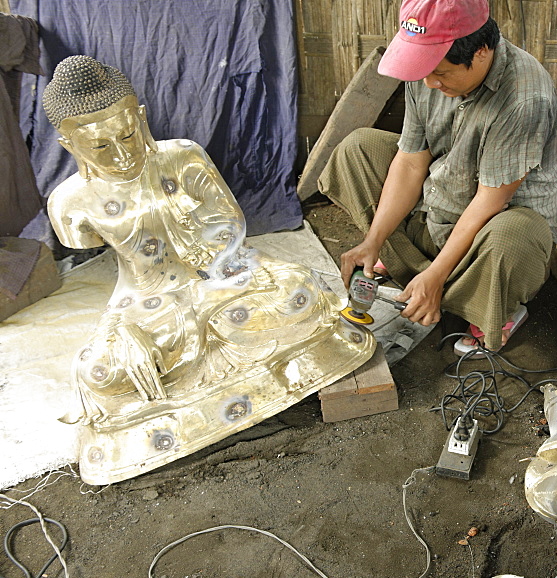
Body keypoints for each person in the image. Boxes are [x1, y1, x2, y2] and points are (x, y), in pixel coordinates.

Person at [43, 55, 373, 481]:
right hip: (150, 302)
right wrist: (121, 329)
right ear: (70, 147)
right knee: (98, 374)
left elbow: (231, 233)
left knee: (298, 290)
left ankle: (187, 385)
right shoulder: (69, 203)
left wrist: (195, 233)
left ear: (140, 118)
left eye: (127, 135)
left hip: (220, 281)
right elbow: (128, 281)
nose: (123, 155)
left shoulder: (181, 158)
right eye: (101, 147)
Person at [319, 0, 557, 356]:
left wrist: (435, 275)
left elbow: (489, 201)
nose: (430, 83)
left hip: (498, 222)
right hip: (443, 198)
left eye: (442, 73)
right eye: (424, 70)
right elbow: (411, 162)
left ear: (481, 52)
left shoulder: (525, 98)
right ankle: (419, 269)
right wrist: (373, 239)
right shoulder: (426, 73)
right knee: (358, 148)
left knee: (512, 237)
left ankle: (483, 302)